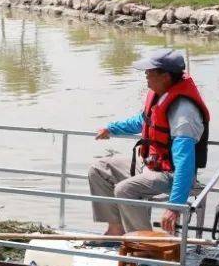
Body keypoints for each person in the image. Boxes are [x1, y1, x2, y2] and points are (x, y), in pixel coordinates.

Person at [88, 48, 210, 235]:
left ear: (166, 76)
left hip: (169, 174)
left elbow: (184, 165)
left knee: (124, 190)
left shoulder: (183, 113)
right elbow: (142, 121)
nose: (146, 75)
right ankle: (116, 229)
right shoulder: (160, 94)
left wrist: (174, 207)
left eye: (150, 71)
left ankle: (145, 245)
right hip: (150, 163)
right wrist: (111, 128)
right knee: (99, 169)